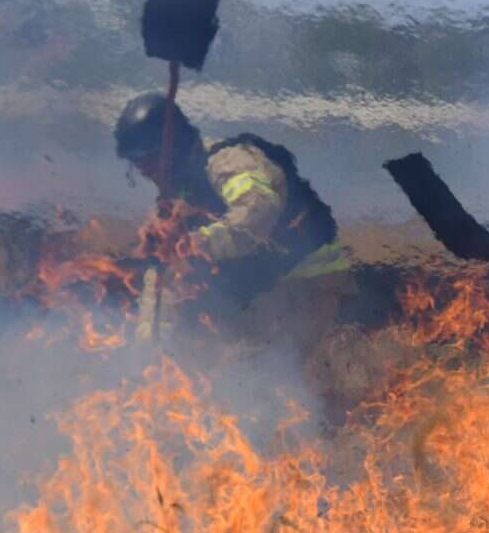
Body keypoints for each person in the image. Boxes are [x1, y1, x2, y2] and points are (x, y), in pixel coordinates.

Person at [114, 92, 351, 346]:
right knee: (199, 349)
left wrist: (198, 244)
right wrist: (147, 348)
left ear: (173, 147)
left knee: (249, 361)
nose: (147, 173)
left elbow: (258, 210)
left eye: (149, 161)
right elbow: (162, 271)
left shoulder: (228, 162)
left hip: (308, 280)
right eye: (139, 165)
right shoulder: (175, 198)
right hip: (262, 285)